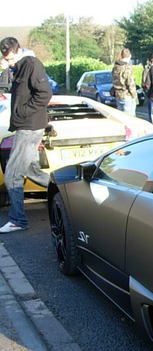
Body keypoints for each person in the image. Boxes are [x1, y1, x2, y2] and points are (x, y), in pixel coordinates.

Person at [0, 37, 52, 233]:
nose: (10, 62)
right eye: (7, 59)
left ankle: (18, 220)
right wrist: (6, 67)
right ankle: (66, 193)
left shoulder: (31, 64)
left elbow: (44, 94)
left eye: (11, 59)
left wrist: (22, 112)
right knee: (31, 170)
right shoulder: (18, 66)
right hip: (26, 126)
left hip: (29, 127)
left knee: (12, 174)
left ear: (18, 50)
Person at [111, 48, 138, 116]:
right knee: (130, 118)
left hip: (118, 95)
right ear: (129, 56)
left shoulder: (115, 67)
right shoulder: (127, 67)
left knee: (121, 117)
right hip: (127, 95)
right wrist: (134, 96)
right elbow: (130, 83)